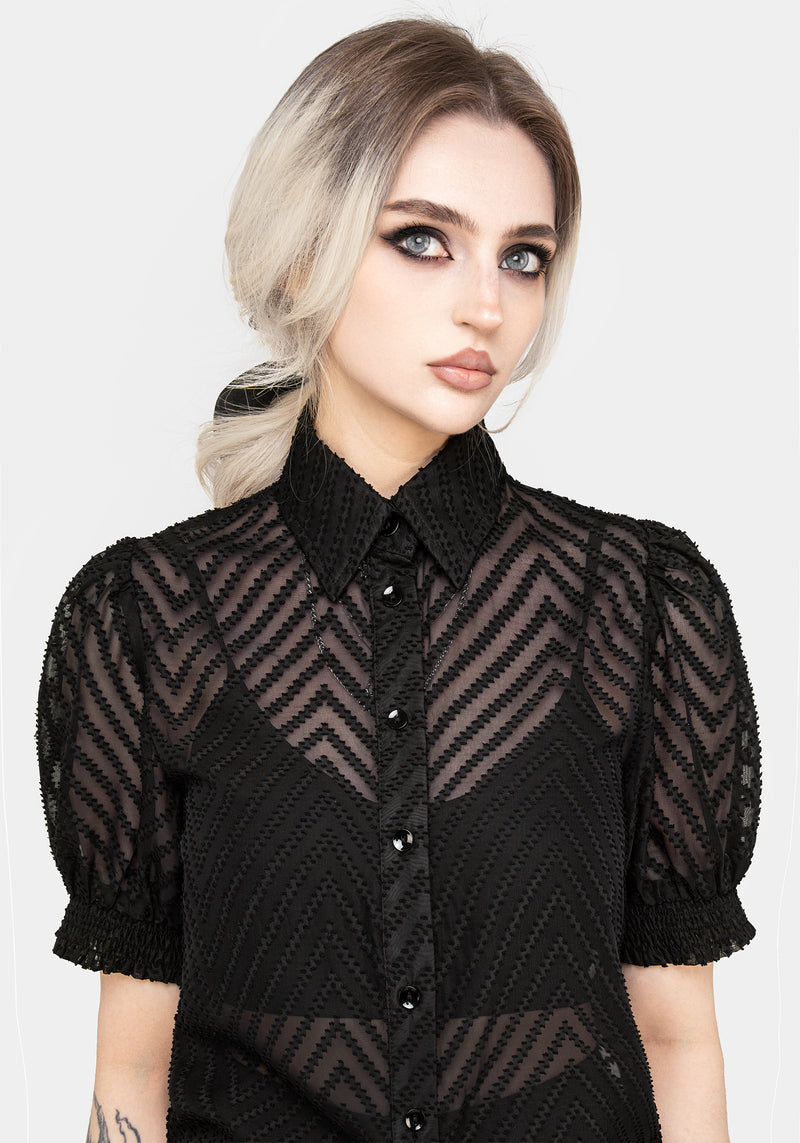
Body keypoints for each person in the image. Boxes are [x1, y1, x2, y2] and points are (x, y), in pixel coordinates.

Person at [35, 16, 761, 1143]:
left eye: (523, 255)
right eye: (423, 240)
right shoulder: (144, 621)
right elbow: (131, 1067)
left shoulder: (642, 605)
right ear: (302, 252)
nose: (487, 305)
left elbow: (677, 1039)